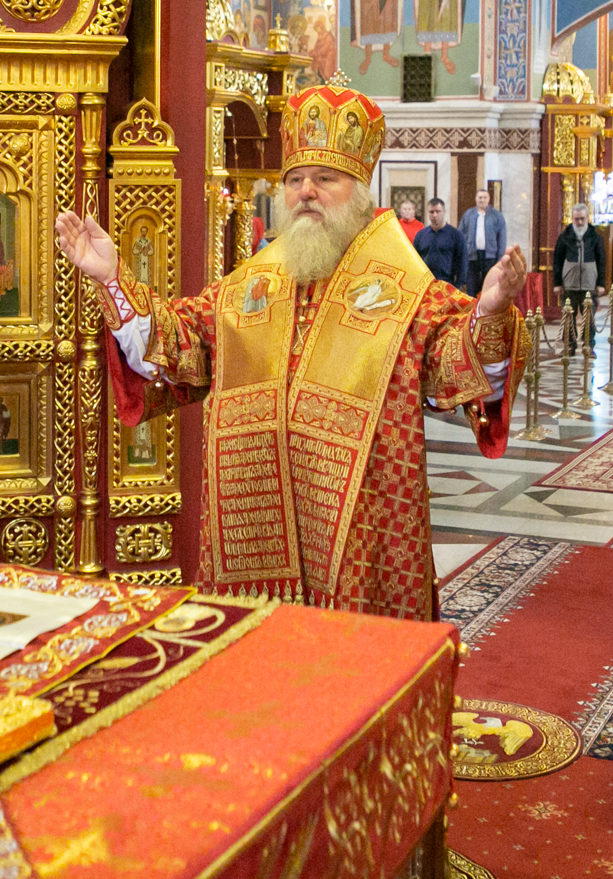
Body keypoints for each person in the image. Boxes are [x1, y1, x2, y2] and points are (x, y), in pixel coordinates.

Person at [54, 84, 528, 620]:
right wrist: (112, 278)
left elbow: (455, 371)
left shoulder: (408, 294)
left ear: (360, 193)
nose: (306, 191)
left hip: (360, 539)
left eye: (325, 178)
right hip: (254, 522)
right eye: (296, 179)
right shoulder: (247, 287)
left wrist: (490, 312)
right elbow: (177, 343)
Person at [551, 202, 607, 353]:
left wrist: (600, 283)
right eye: (577, 219)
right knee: (568, 315)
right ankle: (570, 345)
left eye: (582, 219)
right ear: (572, 219)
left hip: (589, 284)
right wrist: (557, 283)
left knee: (589, 317)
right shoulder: (564, 237)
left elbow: (601, 260)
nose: (580, 222)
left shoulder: (595, 237)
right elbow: (557, 260)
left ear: (587, 218)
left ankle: (588, 345)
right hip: (569, 284)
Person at [458, 187, 507, 299]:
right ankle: (472, 308)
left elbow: (502, 239)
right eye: (480, 197)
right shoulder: (468, 215)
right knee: (471, 288)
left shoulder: (497, 216)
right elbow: (460, 235)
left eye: (485, 197)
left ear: (489, 199)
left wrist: (500, 258)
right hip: (472, 257)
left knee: (488, 287)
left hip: (490, 257)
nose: (482, 200)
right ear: (476, 199)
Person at [412, 197, 463, 288]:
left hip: (447, 283)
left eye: (438, 211)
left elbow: (462, 261)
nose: (434, 215)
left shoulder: (455, 235)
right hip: (426, 284)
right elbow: (414, 260)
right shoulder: (421, 235)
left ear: (444, 212)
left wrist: (459, 285)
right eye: (431, 212)